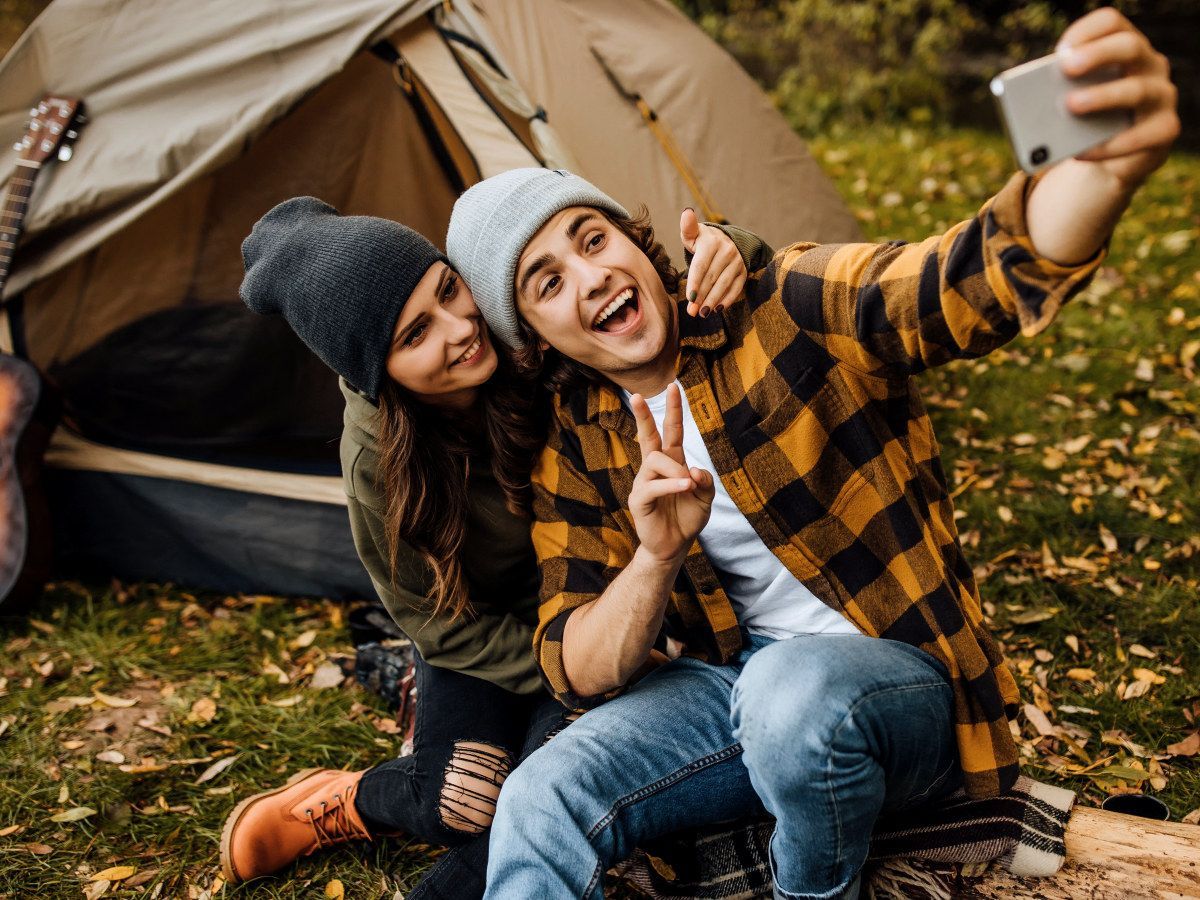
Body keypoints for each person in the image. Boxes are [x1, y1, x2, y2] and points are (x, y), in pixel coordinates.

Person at [444, 9, 1180, 899]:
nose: (591, 277)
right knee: (541, 792)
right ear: (539, 339)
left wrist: (1095, 169)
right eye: (547, 282)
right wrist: (656, 556)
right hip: (736, 698)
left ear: (635, 243)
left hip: (897, 687)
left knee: (788, 696)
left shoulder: (780, 303)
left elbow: (958, 286)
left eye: (591, 239)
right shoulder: (580, 436)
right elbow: (577, 659)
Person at [219, 197, 757, 895]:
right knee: (463, 801)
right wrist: (567, 663)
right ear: (379, 374)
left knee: (556, 782)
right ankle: (350, 802)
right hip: (487, 639)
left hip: (597, 595)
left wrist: (732, 245)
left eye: (448, 289)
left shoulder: (520, 330)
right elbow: (437, 625)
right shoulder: (376, 465)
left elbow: (642, 285)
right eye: (416, 334)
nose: (460, 328)